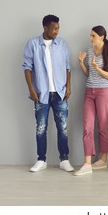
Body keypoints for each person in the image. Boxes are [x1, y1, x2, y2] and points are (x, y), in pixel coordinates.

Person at [22, 14, 74, 172]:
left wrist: (69, 87)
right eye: (54, 28)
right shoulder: (33, 44)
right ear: (45, 28)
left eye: (58, 28)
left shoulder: (62, 44)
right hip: (41, 93)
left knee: (63, 127)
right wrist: (31, 89)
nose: (57, 31)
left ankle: (64, 159)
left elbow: (67, 67)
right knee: (41, 128)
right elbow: (27, 67)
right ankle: (41, 160)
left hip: (59, 93)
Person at [74, 26, 108, 176]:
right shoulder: (89, 50)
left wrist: (97, 68)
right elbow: (87, 73)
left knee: (102, 126)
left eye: (93, 36)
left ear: (101, 37)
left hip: (103, 92)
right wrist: (81, 62)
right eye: (90, 35)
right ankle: (87, 163)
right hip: (89, 92)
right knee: (87, 127)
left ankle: (103, 159)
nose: (90, 38)